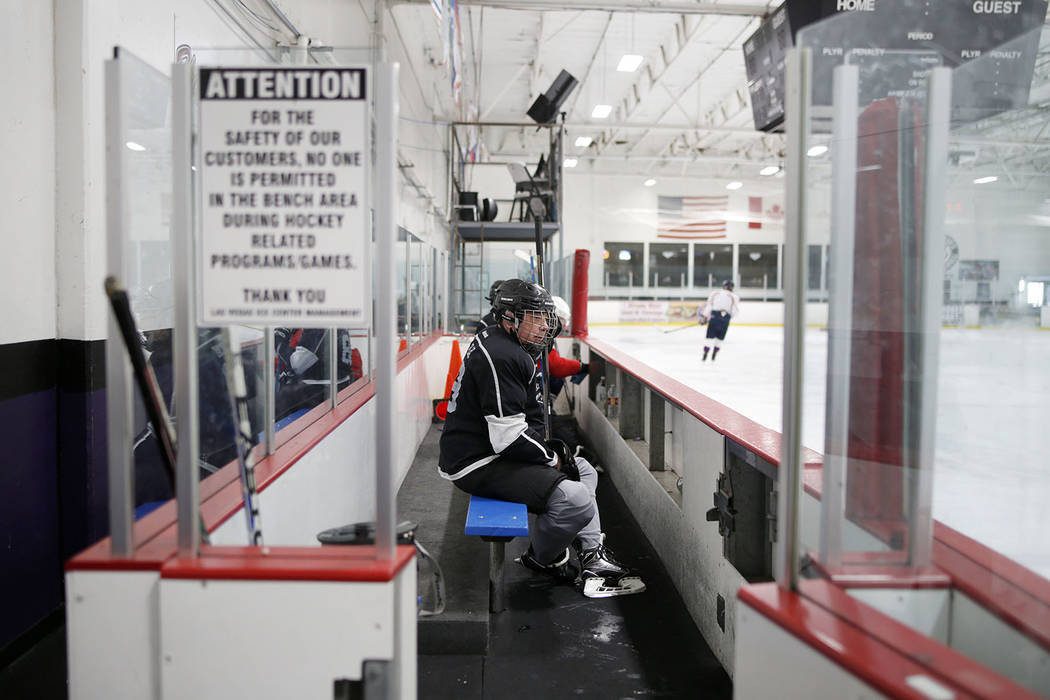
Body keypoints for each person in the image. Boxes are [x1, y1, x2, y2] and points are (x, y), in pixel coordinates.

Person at [439, 279, 645, 598]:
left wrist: (551, 452)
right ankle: (543, 559)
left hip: (491, 450)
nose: (545, 326)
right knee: (575, 497)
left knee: (585, 471)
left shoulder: (507, 345)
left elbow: (523, 419)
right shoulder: (502, 354)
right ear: (509, 317)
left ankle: (593, 556)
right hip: (476, 462)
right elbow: (507, 437)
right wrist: (551, 458)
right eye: (536, 317)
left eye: (545, 318)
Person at [698, 280, 740, 361]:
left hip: (714, 317)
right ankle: (714, 354)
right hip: (725, 319)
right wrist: (727, 317)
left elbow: (709, 306)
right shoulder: (734, 296)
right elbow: (735, 311)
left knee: (709, 338)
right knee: (719, 339)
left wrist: (704, 317)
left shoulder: (715, 293)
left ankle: (705, 354)